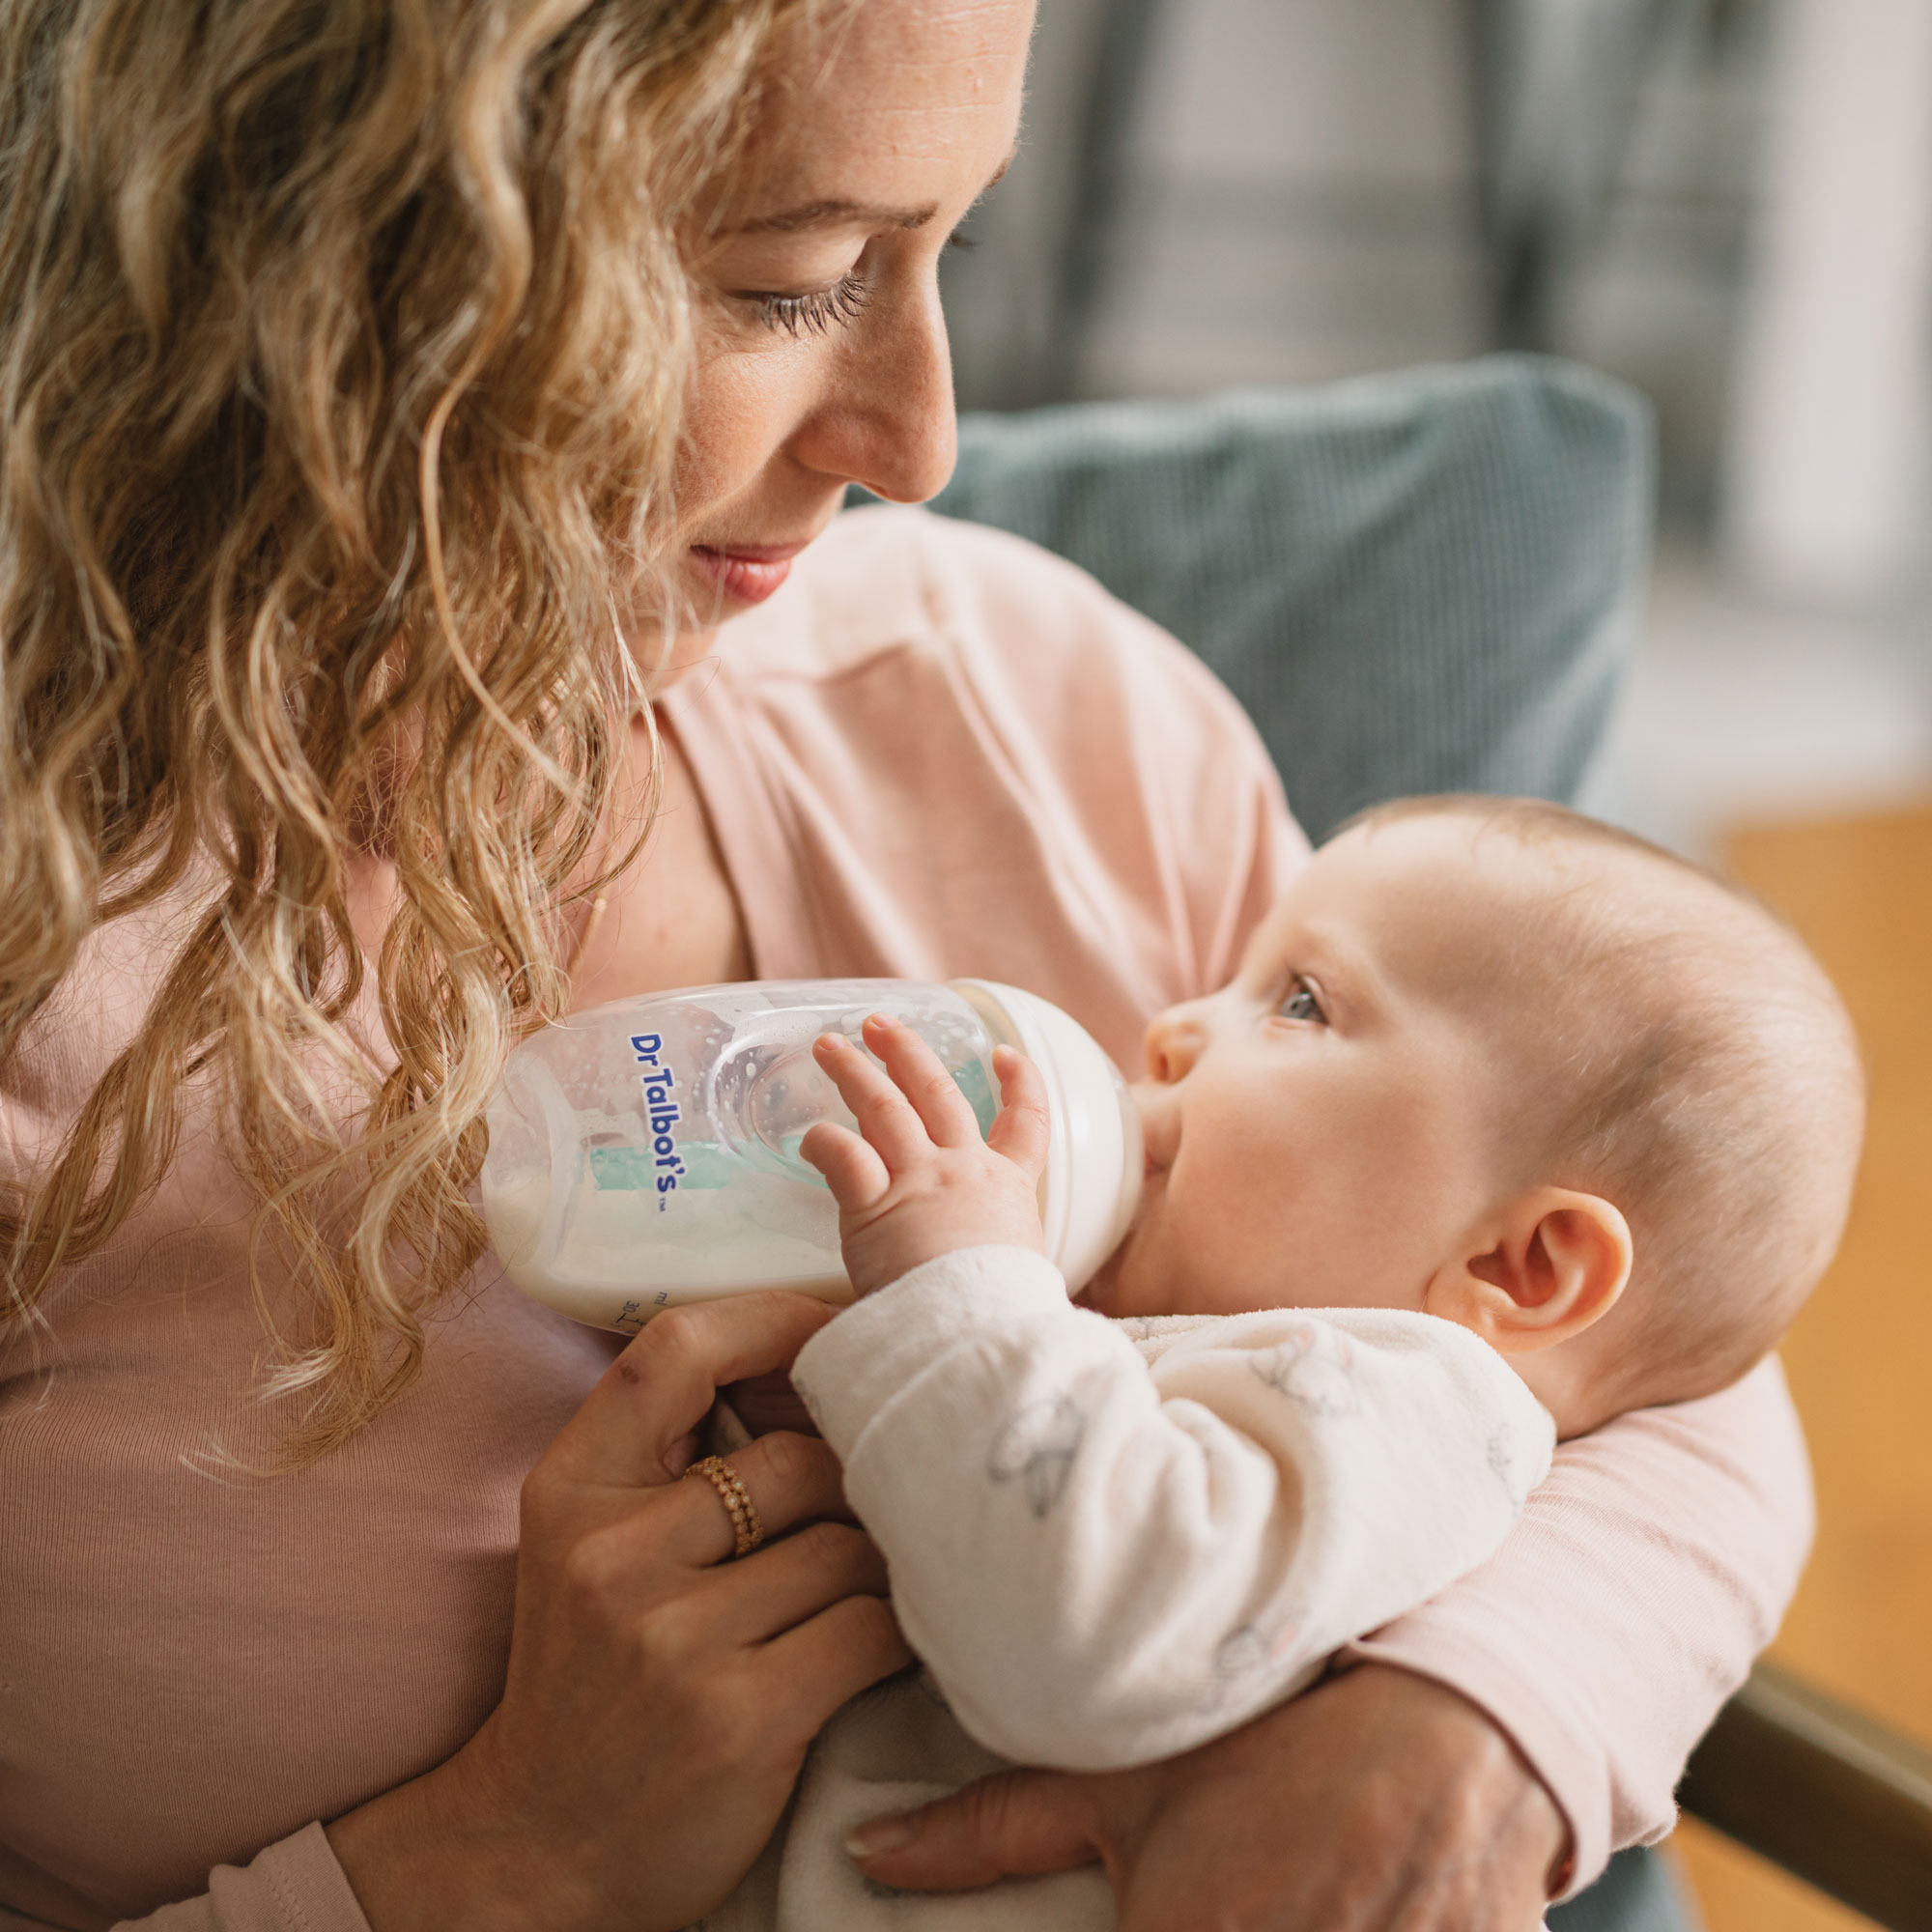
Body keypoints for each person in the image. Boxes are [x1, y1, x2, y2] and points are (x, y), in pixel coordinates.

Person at [0, 3, 1815, 1929]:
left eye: (953, 248)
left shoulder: (1034, 711)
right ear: (327, 260)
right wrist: (494, 1855)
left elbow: (1643, 1312)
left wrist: (1479, 1722)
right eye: (792, 281)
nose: (925, 440)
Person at [644, 795, 1862, 1929]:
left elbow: (1078, 1633)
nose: (1173, 1028)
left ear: (1522, 1267)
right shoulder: (1201, 1342)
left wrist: (950, 1284)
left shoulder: (1407, 1405)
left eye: (1298, 1002)